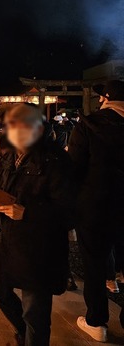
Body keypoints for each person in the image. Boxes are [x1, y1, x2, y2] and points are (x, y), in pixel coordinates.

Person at [0, 104, 74, 346]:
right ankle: (24, 332)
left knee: (35, 311)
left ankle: (32, 338)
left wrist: (28, 213)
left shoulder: (56, 161)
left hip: (39, 250)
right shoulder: (9, 155)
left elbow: (70, 212)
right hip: (7, 242)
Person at [69, 80, 124, 342]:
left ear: (105, 99)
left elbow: (74, 169)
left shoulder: (89, 125)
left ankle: (97, 321)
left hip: (95, 205)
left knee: (94, 262)